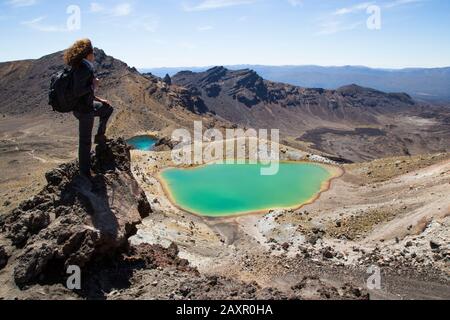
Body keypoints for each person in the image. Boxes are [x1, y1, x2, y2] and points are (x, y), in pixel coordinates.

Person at [63, 39, 114, 178]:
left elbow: (85, 94)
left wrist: (99, 99)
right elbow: (78, 91)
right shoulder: (84, 68)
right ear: (88, 54)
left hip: (85, 106)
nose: (94, 56)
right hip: (84, 110)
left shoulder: (78, 65)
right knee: (85, 141)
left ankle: (100, 136)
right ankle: (85, 173)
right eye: (93, 53)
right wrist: (94, 85)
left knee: (107, 108)